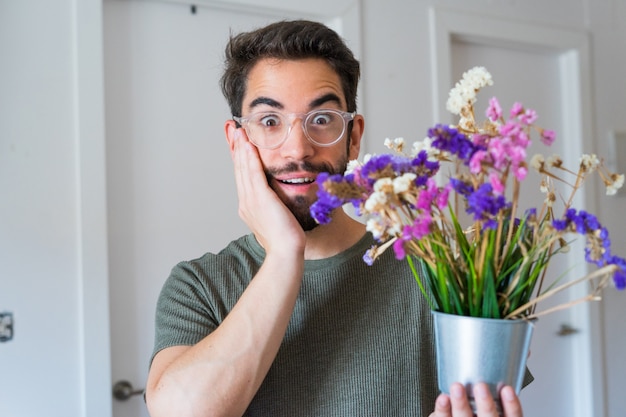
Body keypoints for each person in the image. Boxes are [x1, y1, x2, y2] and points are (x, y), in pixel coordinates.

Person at [145, 19, 525, 417]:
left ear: (354, 136)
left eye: (322, 120)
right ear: (236, 140)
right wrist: (284, 252)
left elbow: (493, 404)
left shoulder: (442, 269)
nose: (298, 149)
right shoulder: (199, 286)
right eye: (270, 121)